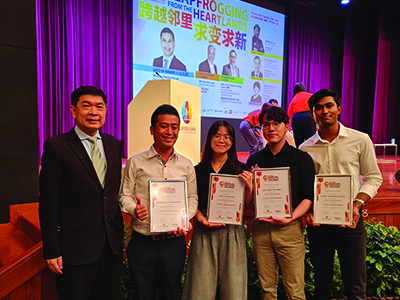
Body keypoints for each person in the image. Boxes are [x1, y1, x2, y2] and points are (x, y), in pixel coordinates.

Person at [38, 86, 123, 300]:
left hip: (110, 247)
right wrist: (52, 250)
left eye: (99, 107)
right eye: (87, 106)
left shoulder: (114, 144)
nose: (94, 112)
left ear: (105, 112)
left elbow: (110, 194)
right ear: (73, 111)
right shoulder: (56, 147)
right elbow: (48, 203)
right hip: (74, 250)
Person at [300, 89, 383, 300]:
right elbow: (305, 186)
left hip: (351, 223)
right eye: (318, 108)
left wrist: (357, 204)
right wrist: (307, 210)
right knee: (321, 288)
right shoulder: (305, 148)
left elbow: (374, 177)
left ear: (339, 108)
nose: (324, 111)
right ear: (313, 114)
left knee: (356, 289)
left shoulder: (360, 140)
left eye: (329, 105)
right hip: (319, 226)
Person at [119, 104, 198, 300]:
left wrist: (184, 218)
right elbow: (124, 196)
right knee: (141, 294)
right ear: (153, 130)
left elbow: (192, 198)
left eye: (174, 127)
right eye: (164, 126)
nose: (169, 132)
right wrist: (134, 210)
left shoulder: (186, 164)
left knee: (170, 294)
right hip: (143, 241)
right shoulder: (136, 162)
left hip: (173, 244)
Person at [246, 107, 315, 300]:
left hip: (290, 229)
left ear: (287, 127)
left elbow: (308, 197)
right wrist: (250, 185)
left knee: (295, 291)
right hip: (261, 229)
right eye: (266, 124)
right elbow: (247, 202)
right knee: (267, 290)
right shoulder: (254, 160)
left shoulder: (301, 158)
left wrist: (290, 218)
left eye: (276, 124)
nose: (271, 128)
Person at [182, 120, 253, 300]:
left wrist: (250, 188)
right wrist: (200, 218)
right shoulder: (197, 170)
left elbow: (245, 207)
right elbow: (192, 201)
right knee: (200, 287)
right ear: (210, 138)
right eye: (217, 135)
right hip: (204, 230)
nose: (222, 140)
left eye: (227, 137)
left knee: (234, 288)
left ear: (233, 141)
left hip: (232, 230)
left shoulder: (241, 170)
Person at [287, 82, 316, 147]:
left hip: (296, 118)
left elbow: (289, 115)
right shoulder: (310, 95)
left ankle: (299, 156)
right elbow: (316, 108)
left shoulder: (294, 99)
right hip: (309, 117)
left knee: (298, 142)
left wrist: (288, 127)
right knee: (311, 140)